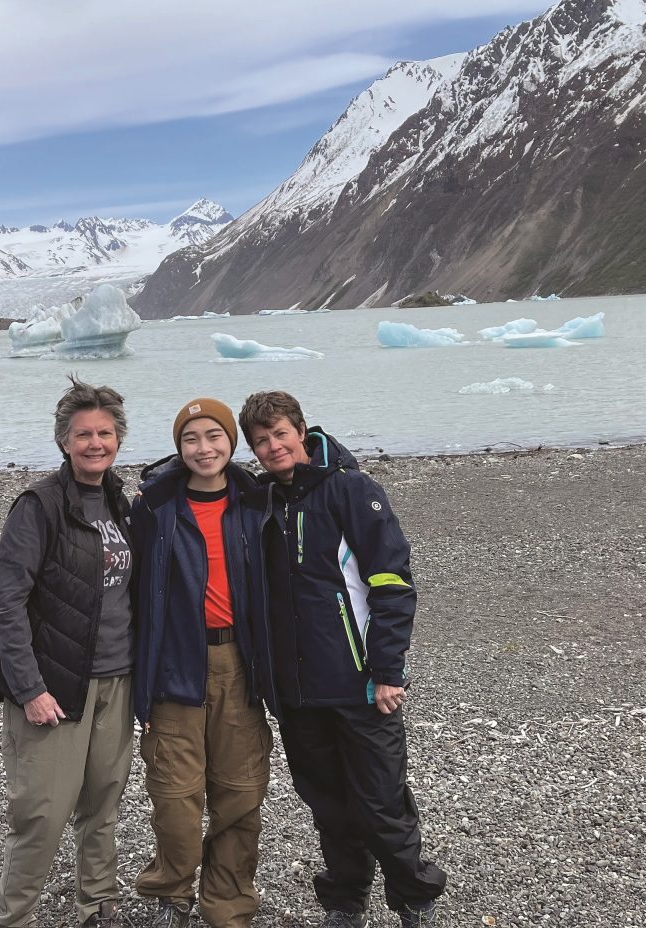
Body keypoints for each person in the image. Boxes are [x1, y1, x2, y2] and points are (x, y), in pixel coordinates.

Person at [237, 390, 447, 928]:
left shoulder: (351, 490)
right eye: (261, 441)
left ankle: (413, 896)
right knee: (328, 803)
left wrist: (387, 671)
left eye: (280, 434)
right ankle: (344, 900)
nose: (273, 447)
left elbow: (392, 584)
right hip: (298, 690)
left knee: (380, 801)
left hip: (359, 683)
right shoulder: (262, 502)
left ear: (302, 432)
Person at [0, 376, 135, 928]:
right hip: (55, 686)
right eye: (83, 434)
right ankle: (15, 918)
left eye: (105, 433)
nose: (95, 443)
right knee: (41, 814)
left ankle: (98, 907)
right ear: (64, 440)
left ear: (118, 439)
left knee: (102, 806)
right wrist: (30, 688)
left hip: (117, 679)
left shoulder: (118, 501)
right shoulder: (37, 506)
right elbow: (7, 605)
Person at [131, 398, 272, 928]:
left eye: (214, 435)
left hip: (240, 661)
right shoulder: (153, 508)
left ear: (231, 441)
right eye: (191, 438)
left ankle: (228, 900)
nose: (203, 448)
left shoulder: (259, 502)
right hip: (174, 663)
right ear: (179, 447)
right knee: (174, 794)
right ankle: (171, 886)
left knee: (240, 790)